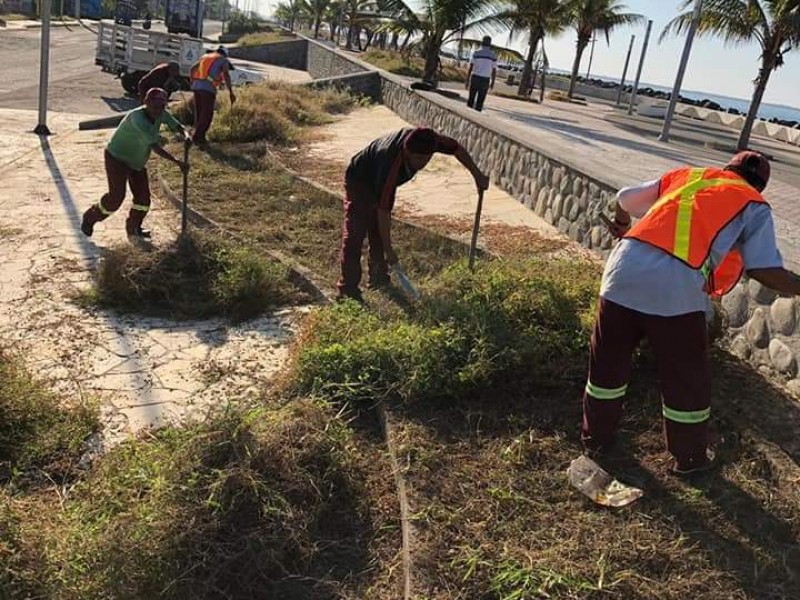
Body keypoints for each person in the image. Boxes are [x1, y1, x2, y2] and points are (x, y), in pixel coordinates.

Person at [582, 150, 800, 476]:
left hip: (621, 271)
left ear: (725, 168)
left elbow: (624, 198)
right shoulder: (752, 202)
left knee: (607, 367)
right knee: (686, 379)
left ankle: (596, 440)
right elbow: (763, 269)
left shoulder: (689, 177)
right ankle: (690, 461)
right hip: (676, 287)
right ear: (761, 185)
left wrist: (624, 223)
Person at [337, 127, 490, 302]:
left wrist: (477, 174)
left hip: (379, 180)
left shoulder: (430, 140)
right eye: (418, 158)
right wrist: (390, 250)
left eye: (427, 158)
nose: (422, 163)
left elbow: (456, 148)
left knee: (378, 232)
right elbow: (384, 211)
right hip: (360, 179)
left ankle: (379, 278)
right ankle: (348, 291)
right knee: (355, 233)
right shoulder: (390, 163)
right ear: (407, 151)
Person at [81, 88, 189, 244]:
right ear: (146, 103)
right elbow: (155, 147)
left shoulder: (162, 113)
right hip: (117, 158)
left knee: (143, 199)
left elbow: (176, 125)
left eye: (161, 106)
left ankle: (134, 228)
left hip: (136, 162)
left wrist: (186, 135)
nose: (158, 110)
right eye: (155, 106)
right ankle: (91, 217)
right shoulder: (138, 119)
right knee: (116, 197)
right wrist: (177, 162)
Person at [189, 46, 236, 146]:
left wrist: (192, 82)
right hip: (208, 89)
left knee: (199, 113)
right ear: (225, 55)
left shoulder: (205, 57)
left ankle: (199, 136)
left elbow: (192, 69)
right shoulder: (223, 60)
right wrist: (231, 92)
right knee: (207, 114)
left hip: (197, 87)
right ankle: (197, 138)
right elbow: (226, 74)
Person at [465, 36, 497, 112]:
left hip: (475, 78)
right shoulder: (493, 55)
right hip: (485, 80)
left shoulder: (476, 53)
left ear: (482, 42)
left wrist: (467, 79)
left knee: (471, 99)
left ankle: (468, 115)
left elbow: (471, 67)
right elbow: (494, 70)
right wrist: (492, 82)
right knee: (480, 102)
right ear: (490, 44)